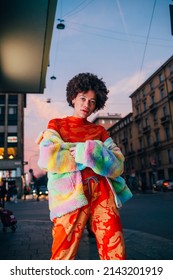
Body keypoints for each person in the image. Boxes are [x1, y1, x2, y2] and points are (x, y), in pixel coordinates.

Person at [36, 72, 132, 260]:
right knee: (63, 253)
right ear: (73, 98)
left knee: (115, 252)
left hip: (103, 192)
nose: (86, 105)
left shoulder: (99, 130)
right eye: (82, 98)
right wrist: (96, 154)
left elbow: (118, 164)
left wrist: (83, 151)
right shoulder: (57, 124)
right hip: (70, 194)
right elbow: (49, 157)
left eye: (92, 102)